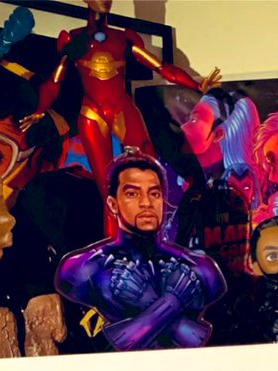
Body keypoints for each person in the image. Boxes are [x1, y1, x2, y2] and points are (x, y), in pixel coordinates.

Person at [20, 0, 219, 230]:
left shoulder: (123, 38)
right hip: (92, 114)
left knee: (152, 169)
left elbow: (162, 68)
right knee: (107, 188)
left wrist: (197, 85)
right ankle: (116, 244)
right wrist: (39, 110)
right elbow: (55, 81)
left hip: (122, 108)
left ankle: (160, 234)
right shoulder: (74, 39)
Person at [55, 149, 226, 350]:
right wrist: (173, 301)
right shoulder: (84, 269)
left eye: (154, 194)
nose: (146, 203)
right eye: (132, 194)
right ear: (113, 204)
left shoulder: (200, 269)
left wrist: (153, 303)